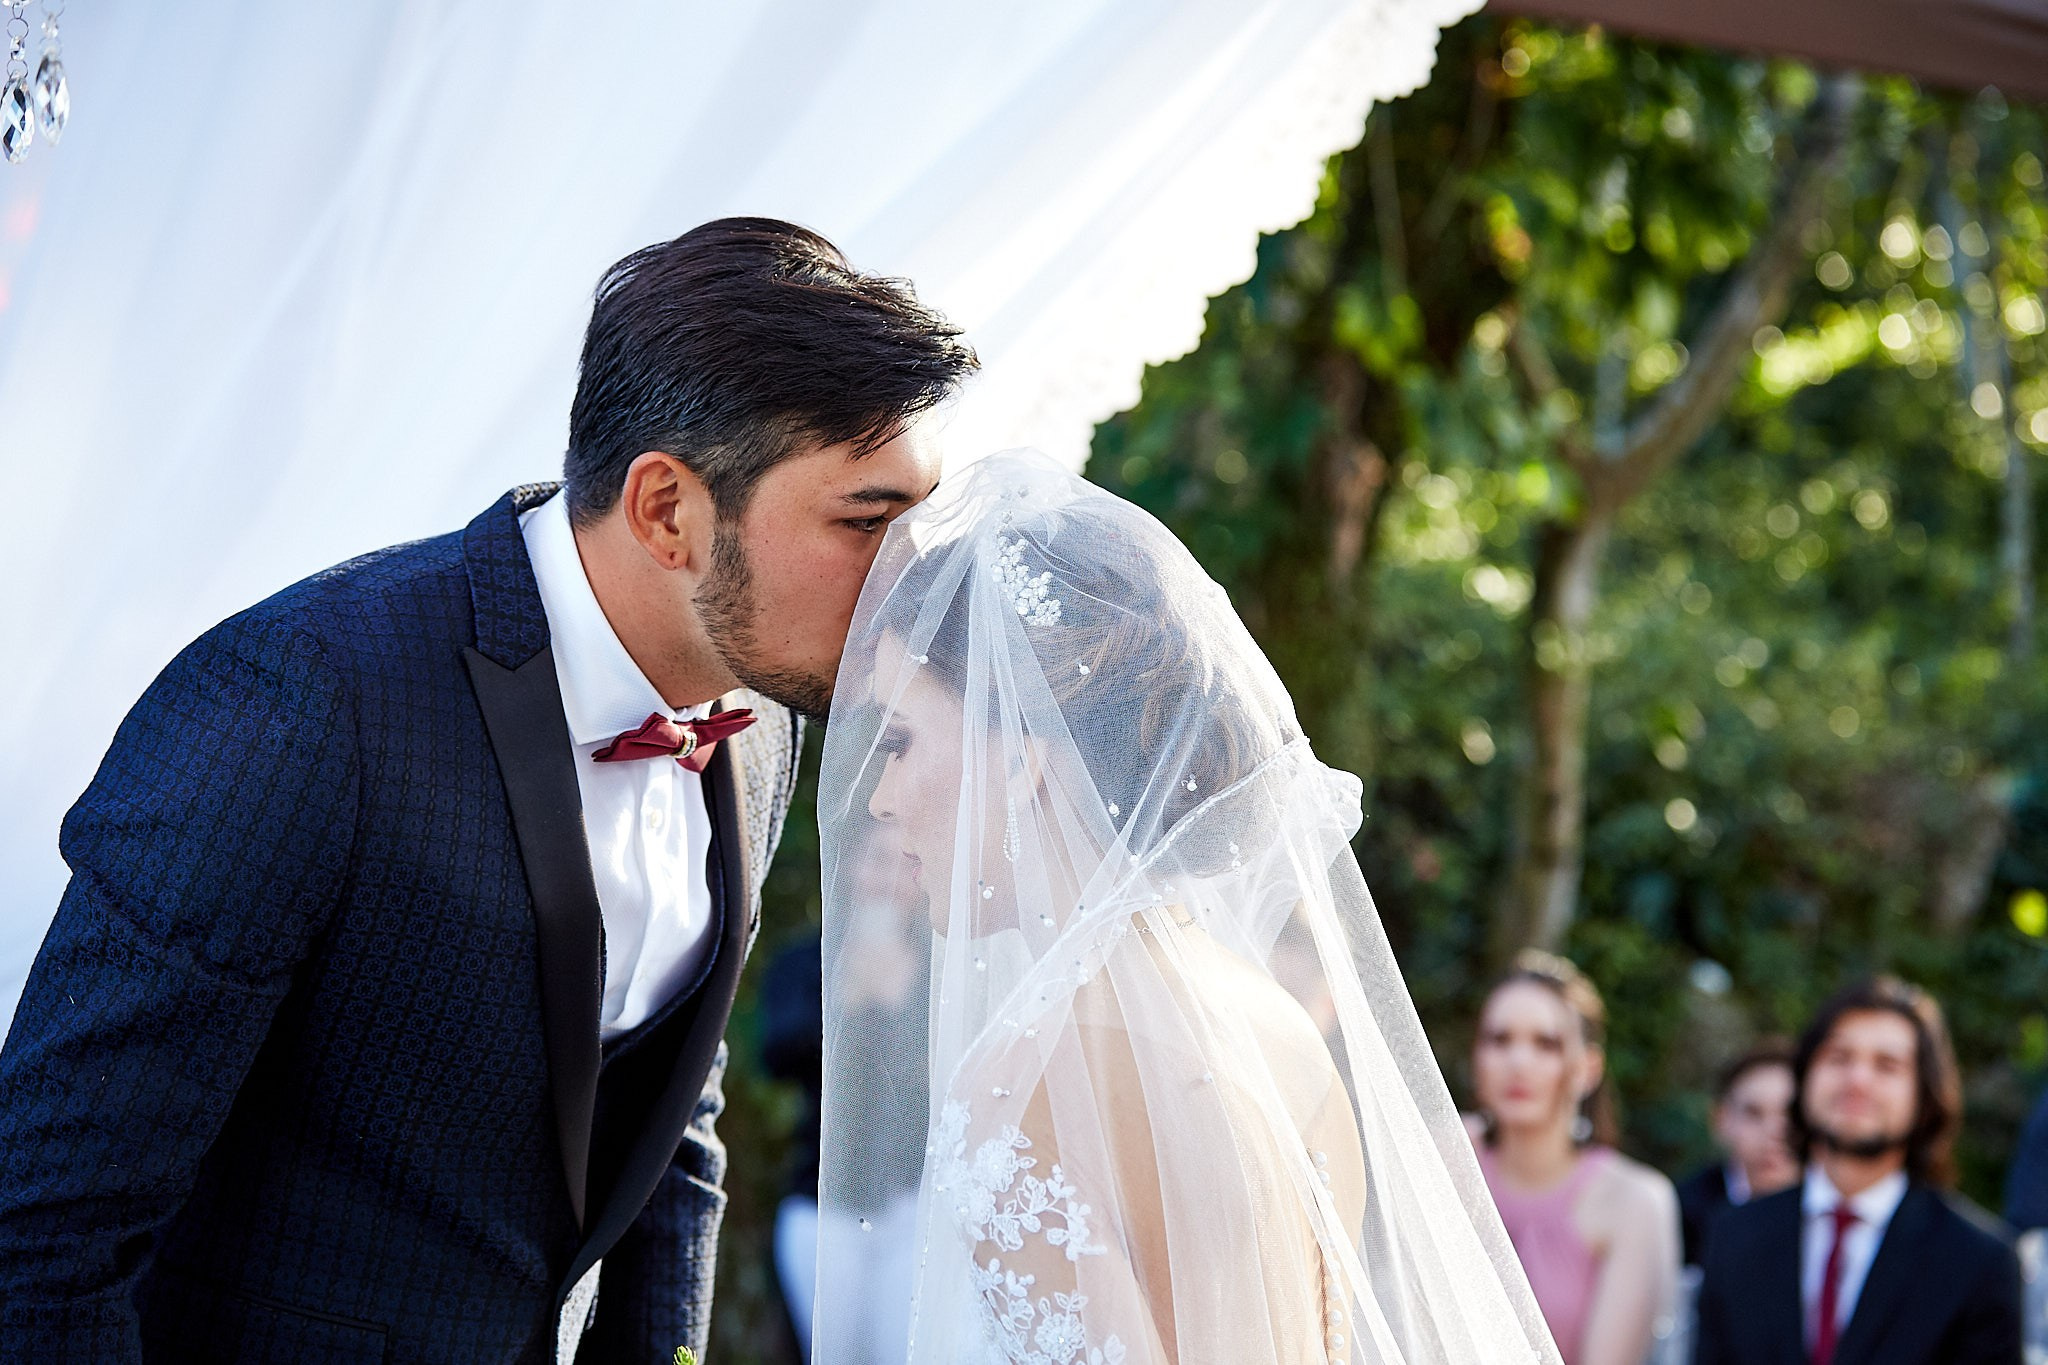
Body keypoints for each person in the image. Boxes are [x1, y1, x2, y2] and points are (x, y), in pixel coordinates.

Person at [0, 218, 977, 1363]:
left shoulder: (756, 723)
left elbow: (670, 1123)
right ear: (667, 510)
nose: (910, 571)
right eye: (866, 522)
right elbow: (46, 1230)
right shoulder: (298, 700)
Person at [813, 450, 1562, 1365]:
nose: (881, 799)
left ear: (1020, 757)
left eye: (898, 740)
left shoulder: (1022, 1085)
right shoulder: (1271, 1023)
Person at [1693, 976, 2024, 1365]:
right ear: (1804, 1078)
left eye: (1887, 1065)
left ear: (1926, 1095)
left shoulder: (1977, 1262)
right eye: (1839, 1058)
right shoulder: (1735, 1236)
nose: (1857, 1080)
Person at [1466, 951, 1682, 1365]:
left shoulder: (1634, 1201)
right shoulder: (1446, 1156)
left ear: (1588, 1068)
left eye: (1545, 1044)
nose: (1518, 1062)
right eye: (1499, 1040)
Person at [1676, 1039, 1799, 1266]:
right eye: (1754, 1113)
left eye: (1791, 1115)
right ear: (1720, 1120)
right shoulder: (1679, 1216)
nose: (1775, 1132)